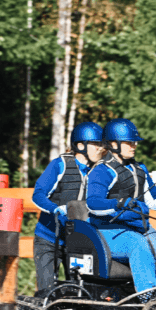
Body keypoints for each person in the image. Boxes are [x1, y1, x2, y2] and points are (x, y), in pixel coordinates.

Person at [86, 118, 156, 296]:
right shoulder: (102, 171)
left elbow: (152, 199)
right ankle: (148, 298)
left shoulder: (139, 169)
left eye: (135, 142)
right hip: (109, 231)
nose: (134, 146)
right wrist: (118, 203)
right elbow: (93, 204)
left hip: (140, 228)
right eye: (129, 142)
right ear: (113, 144)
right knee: (137, 244)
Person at [31, 121, 106, 293]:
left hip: (78, 241)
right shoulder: (60, 165)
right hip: (49, 238)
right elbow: (38, 194)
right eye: (95, 144)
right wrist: (55, 209)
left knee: (82, 290)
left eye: (101, 144)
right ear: (80, 145)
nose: (100, 149)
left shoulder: (99, 172)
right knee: (48, 290)